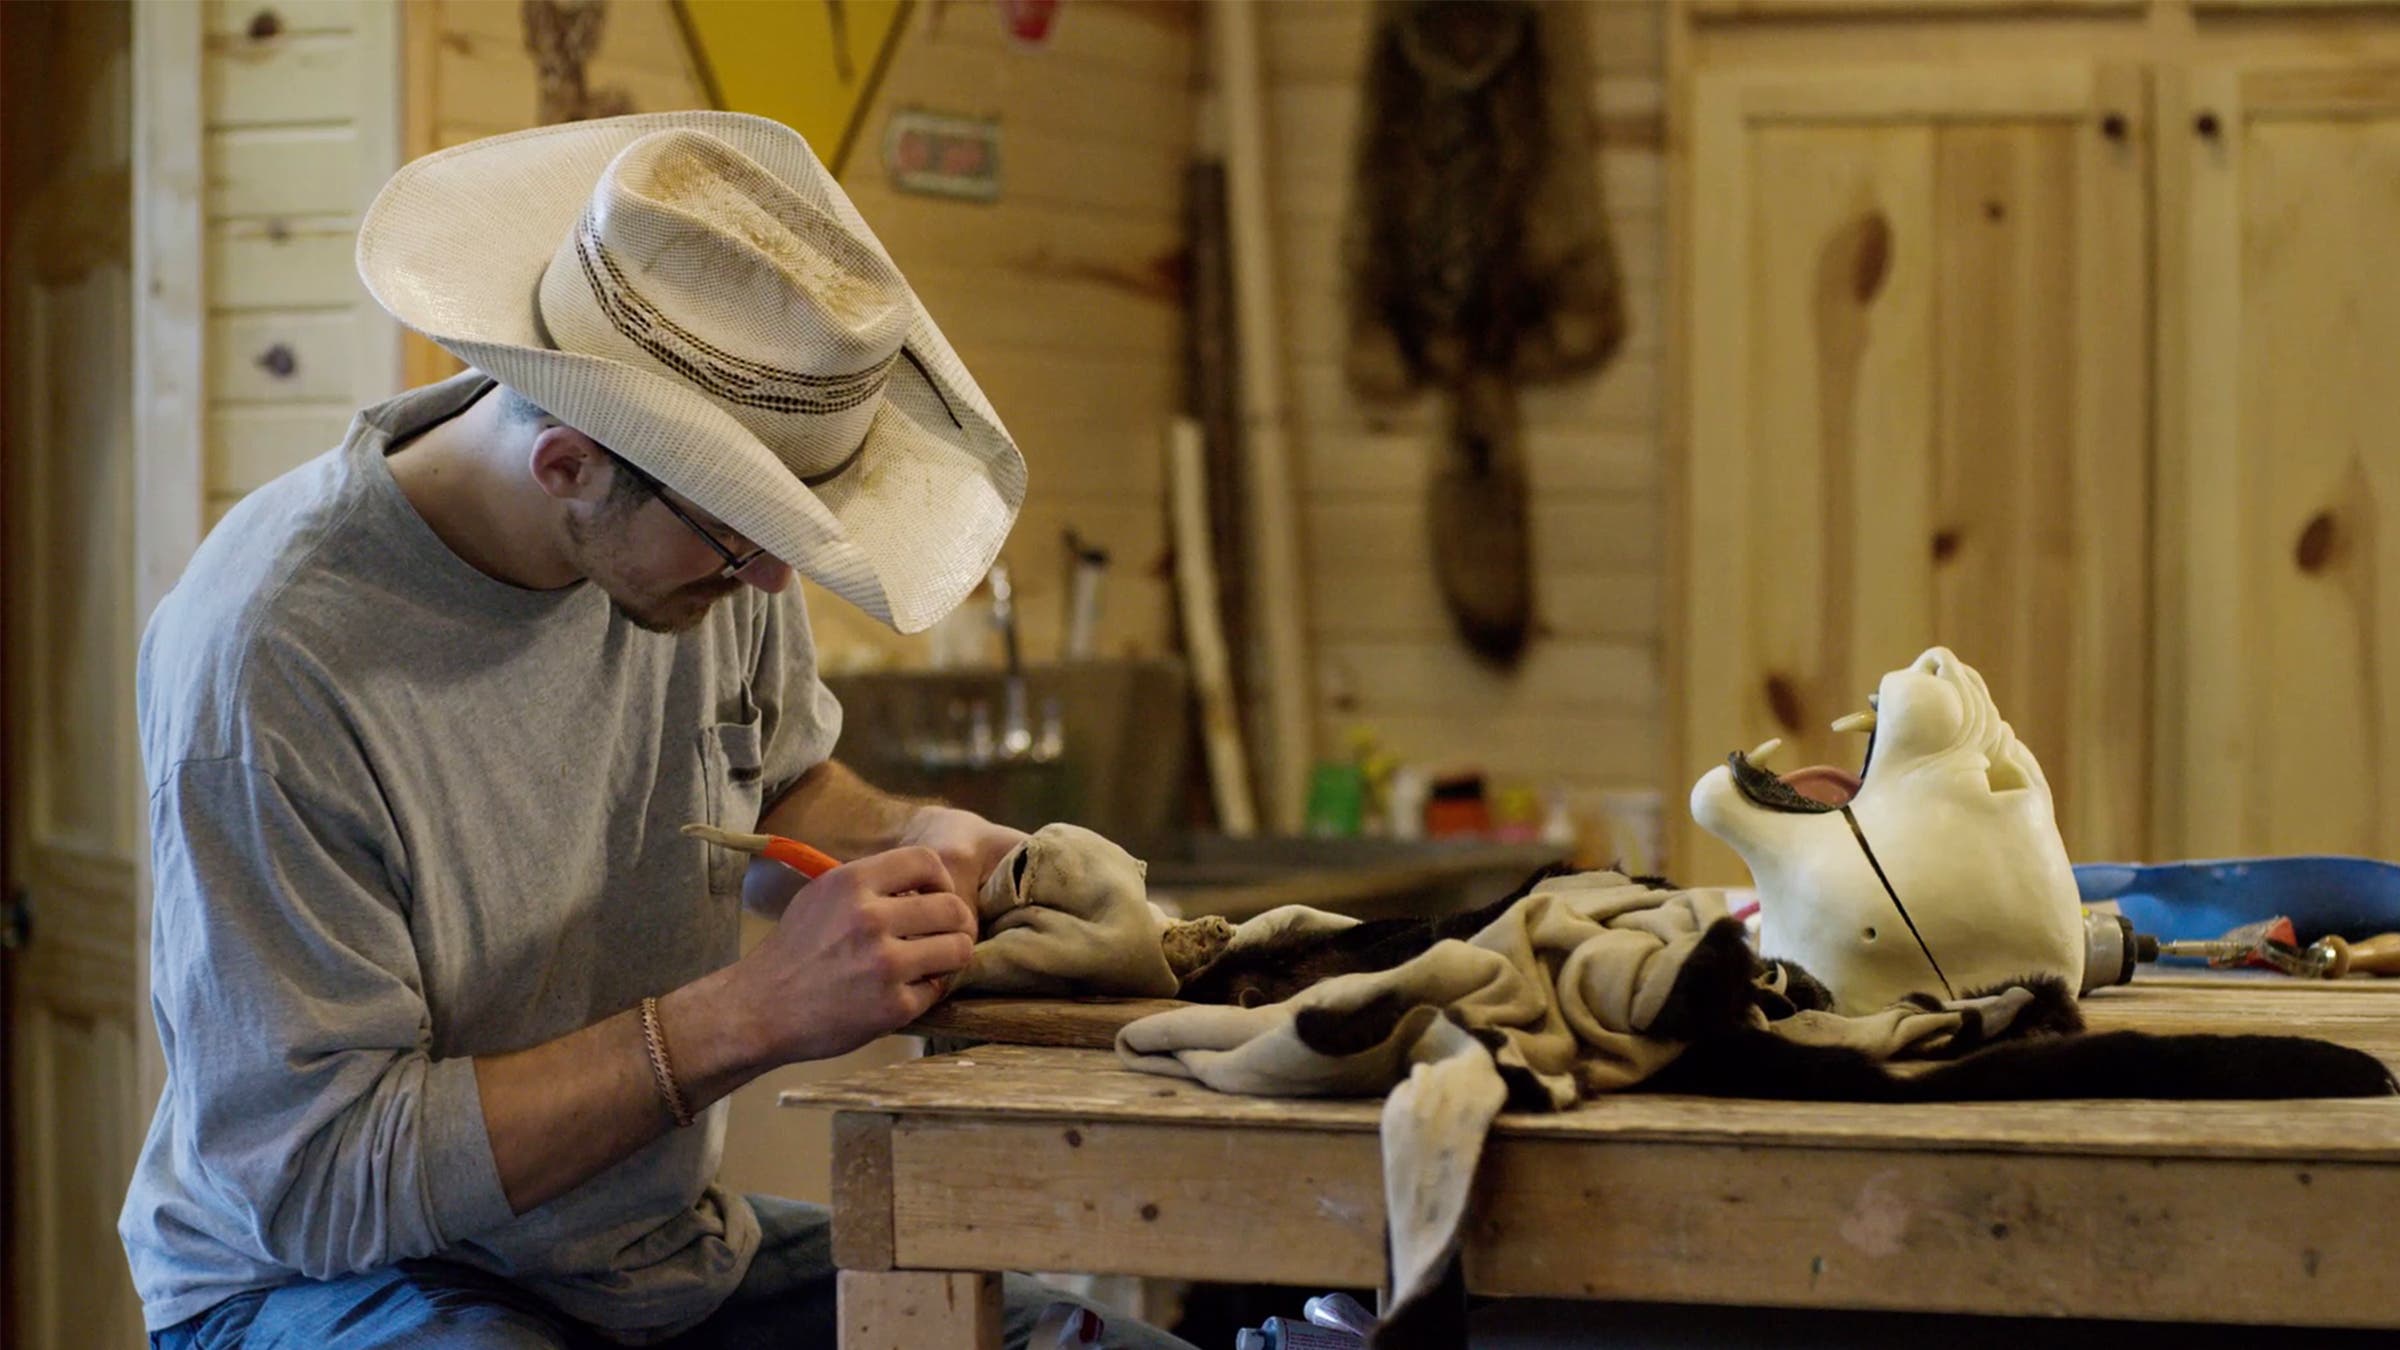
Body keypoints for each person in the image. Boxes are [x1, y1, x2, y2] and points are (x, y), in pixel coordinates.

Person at [119, 111, 1194, 1350]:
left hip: (642, 1261)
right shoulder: (271, 658)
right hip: (326, 1283)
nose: (774, 590)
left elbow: (772, 791)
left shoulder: (699, 561)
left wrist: (924, 841)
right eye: (742, 540)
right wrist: (752, 1015)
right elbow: (315, 1180)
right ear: (568, 463)